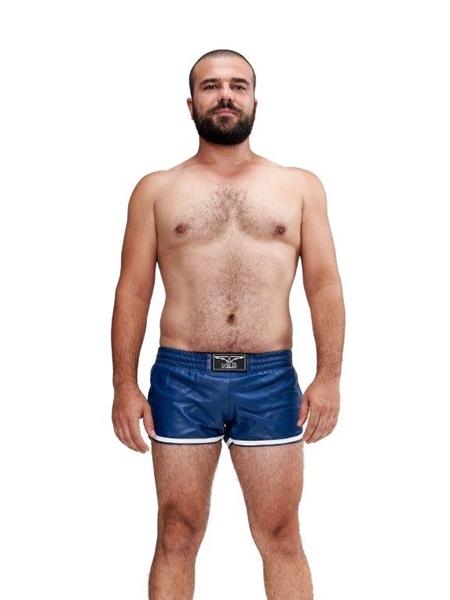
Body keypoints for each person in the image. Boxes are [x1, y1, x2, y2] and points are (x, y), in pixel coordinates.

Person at [111, 48, 345, 600]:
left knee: (281, 535)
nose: (225, 95)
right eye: (211, 85)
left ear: (255, 101)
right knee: (176, 533)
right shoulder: (156, 189)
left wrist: (329, 376)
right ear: (191, 102)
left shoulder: (299, 186)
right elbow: (133, 290)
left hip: (269, 378)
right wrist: (124, 384)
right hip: (181, 378)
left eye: (238, 86)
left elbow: (324, 285)